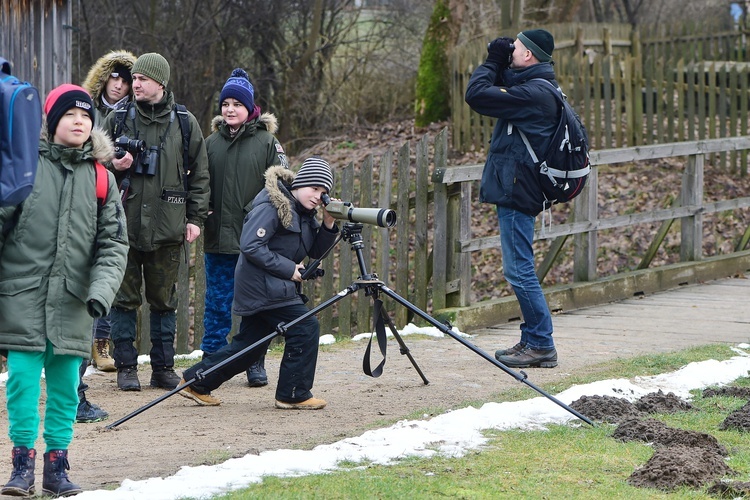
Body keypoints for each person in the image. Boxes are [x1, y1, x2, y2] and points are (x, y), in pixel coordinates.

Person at [0, 84, 128, 497]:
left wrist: (101, 292)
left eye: (86, 116)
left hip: (76, 299)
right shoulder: (24, 168)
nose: (79, 121)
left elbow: (114, 244)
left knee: (64, 384)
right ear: (53, 121)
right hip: (22, 293)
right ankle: (22, 463)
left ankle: (57, 465)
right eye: (71, 115)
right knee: (20, 377)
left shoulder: (101, 178)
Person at [179, 158, 338, 409]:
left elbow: (316, 251)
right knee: (305, 327)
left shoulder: (305, 214)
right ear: (301, 183)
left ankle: (196, 381)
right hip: (262, 286)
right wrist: (289, 269)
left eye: (324, 192)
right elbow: (251, 245)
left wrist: (329, 223)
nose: (319, 196)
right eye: (315, 189)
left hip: (273, 287)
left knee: (249, 347)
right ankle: (293, 393)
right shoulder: (272, 204)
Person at [104, 52, 210, 391]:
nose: (134, 84)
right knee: (124, 300)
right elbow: (91, 164)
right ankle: (125, 368)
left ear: (160, 83)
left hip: (168, 228)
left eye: (141, 79)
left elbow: (201, 174)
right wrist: (113, 165)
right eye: (133, 79)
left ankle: (163, 368)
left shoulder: (184, 122)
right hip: (124, 226)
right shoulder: (118, 117)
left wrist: (194, 218)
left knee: (165, 302)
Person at [464, 29, 559, 369]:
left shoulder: (532, 94)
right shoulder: (535, 87)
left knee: (519, 270)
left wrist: (491, 60)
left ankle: (542, 344)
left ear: (529, 55)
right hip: (518, 186)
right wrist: (502, 61)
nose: (509, 52)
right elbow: (497, 87)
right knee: (518, 269)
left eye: (514, 49)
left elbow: (477, 95)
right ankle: (533, 339)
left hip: (519, 190)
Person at [202, 68, 288, 388]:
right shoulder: (210, 143)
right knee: (217, 303)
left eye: (237, 104)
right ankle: (210, 361)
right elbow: (199, 183)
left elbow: (280, 184)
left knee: (254, 306)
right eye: (226, 104)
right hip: (218, 239)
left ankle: (254, 360)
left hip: (256, 241)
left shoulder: (267, 143)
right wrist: (203, 209)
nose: (230, 109)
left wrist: (260, 214)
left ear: (250, 108)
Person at [73, 49, 137, 426]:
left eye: (124, 78)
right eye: (112, 77)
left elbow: (111, 230)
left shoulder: (100, 174)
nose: (119, 83)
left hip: (88, 256)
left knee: (79, 331)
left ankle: (77, 396)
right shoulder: (44, 166)